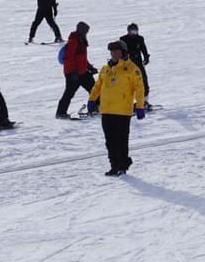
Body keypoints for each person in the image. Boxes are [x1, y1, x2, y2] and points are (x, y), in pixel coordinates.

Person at [87, 41, 145, 176]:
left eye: (116, 51)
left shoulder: (132, 69)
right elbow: (98, 86)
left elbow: (139, 88)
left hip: (122, 111)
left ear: (123, 52)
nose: (114, 54)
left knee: (121, 140)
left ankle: (122, 165)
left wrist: (140, 106)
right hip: (106, 110)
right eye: (112, 51)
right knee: (110, 141)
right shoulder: (105, 68)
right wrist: (92, 99)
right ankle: (114, 165)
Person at [56, 21, 97, 119]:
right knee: (69, 93)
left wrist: (90, 67)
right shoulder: (74, 40)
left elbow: (82, 58)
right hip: (73, 73)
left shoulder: (81, 39)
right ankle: (60, 113)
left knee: (94, 89)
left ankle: (98, 107)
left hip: (82, 72)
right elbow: (69, 57)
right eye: (86, 31)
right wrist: (73, 72)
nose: (86, 33)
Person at [120, 23, 152, 109]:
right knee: (127, 83)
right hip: (127, 64)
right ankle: (126, 102)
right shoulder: (123, 39)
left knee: (143, 81)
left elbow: (143, 48)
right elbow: (120, 52)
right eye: (132, 31)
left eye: (135, 31)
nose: (134, 33)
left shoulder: (140, 39)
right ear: (128, 31)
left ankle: (144, 101)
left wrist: (146, 57)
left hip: (138, 63)